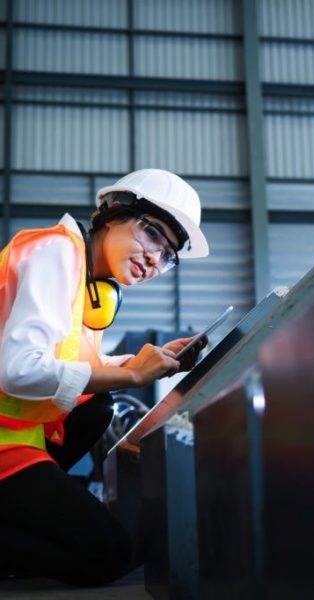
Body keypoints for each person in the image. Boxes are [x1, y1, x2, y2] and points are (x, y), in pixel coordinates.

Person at [0, 168, 209, 587]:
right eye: (152, 234)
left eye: (168, 256)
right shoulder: (56, 252)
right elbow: (18, 369)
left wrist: (147, 361)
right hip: (8, 442)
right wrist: (132, 374)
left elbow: (71, 363)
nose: (155, 259)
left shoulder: (88, 286)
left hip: (18, 438)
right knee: (108, 555)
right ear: (111, 214)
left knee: (98, 404)